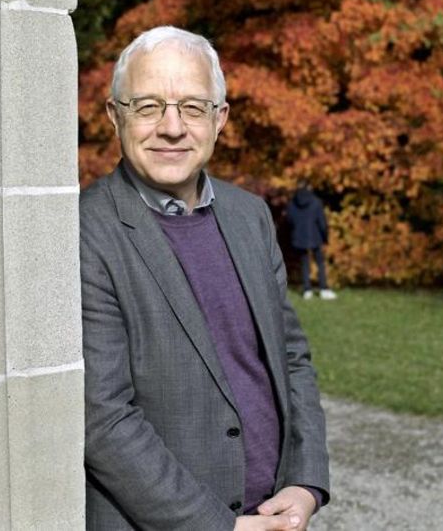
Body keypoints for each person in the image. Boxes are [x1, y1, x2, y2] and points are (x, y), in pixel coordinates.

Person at [80, 26, 330, 530]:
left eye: (193, 108)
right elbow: (103, 416)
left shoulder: (249, 216)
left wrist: (306, 482)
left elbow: (290, 359)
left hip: (276, 515)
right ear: (114, 116)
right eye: (148, 107)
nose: (172, 127)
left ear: (220, 120)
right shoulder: (86, 229)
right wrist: (216, 527)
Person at [285, 181, 336, 300]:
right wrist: (325, 237)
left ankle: (307, 290)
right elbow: (322, 222)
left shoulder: (292, 203)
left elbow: (289, 221)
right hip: (315, 236)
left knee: (304, 263)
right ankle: (324, 289)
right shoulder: (316, 202)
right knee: (320, 263)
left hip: (299, 237)